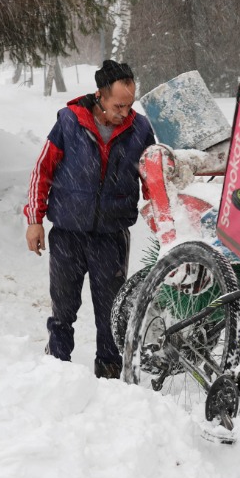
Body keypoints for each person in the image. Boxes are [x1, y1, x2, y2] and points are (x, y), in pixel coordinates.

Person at [23, 59, 155, 379]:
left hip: (111, 234)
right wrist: (34, 219)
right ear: (100, 96)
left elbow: (154, 179)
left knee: (112, 310)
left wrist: (159, 212)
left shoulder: (140, 130)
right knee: (64, 306)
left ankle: (109, 371)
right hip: (68, 231)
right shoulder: (70, 122)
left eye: (130, 104)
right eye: (118, 105)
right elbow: (43, 170)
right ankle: (57, 365)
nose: (125, 112)